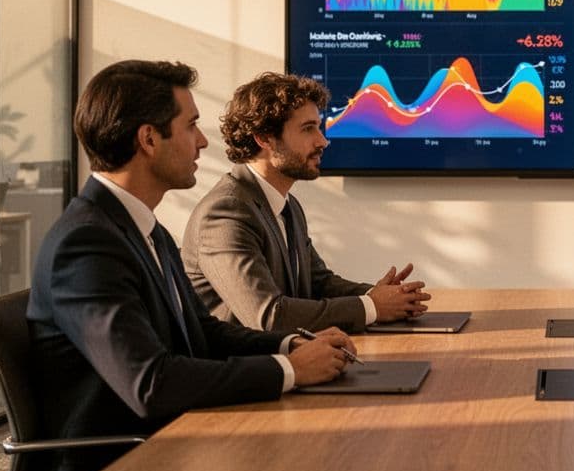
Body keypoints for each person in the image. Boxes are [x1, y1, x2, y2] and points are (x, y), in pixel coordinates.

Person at [26, 61, 355, 471]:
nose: (202, 141)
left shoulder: (146, 229)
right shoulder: (86, 244)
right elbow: (151, 383)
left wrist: (289, 345)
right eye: (191, 125)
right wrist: (291, 370)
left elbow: (202, 331)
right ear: (148, 139)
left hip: (176, 439)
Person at [182, 72, 430, 333]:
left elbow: (318, 283)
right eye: (308, 128)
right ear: (264, 138)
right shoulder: (226, 213)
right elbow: (269, 315)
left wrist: (383, 296)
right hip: (249, 357)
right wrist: (372, 306)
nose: (323, 141)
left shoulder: (287, 206)